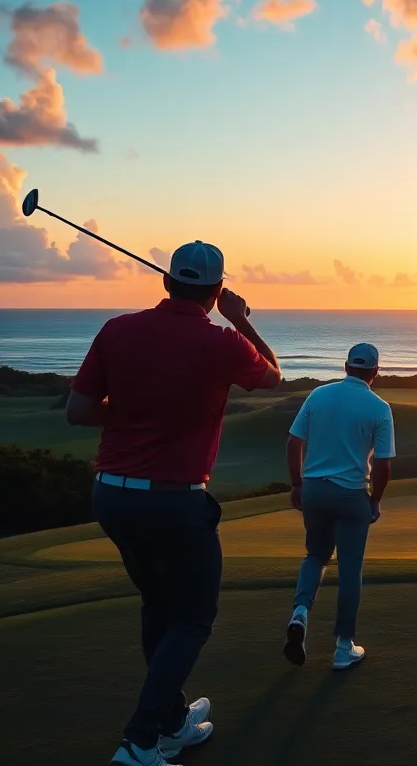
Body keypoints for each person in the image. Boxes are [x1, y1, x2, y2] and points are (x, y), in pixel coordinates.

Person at [67, 242, 282, 766]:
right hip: (174, 502)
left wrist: (133, 417)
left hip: (112, 495)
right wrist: (241, 319)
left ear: (166, 282)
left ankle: (170, 723)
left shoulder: (117, 329)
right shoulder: (224, 341)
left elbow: (78, 411)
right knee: (193, 617)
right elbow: (272, 376)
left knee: (158, 606)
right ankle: (141, 741)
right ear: (215, 291)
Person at [283, 342, 396, 670]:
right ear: (375, 372)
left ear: (345, 366)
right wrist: (375, 501)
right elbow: (385, 465)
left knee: (315, 555)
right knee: (349, 569)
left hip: (315, 491)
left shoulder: (318, 395)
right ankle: (343, 647)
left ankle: (300, 614)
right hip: (351, 495)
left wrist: (297, 483)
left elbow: (293, 442)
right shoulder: (379, 408)